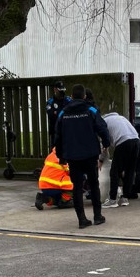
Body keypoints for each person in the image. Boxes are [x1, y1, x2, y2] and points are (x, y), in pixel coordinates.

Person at [54, 84, 110, 229]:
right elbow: (102, 128)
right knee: (93, 184)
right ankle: (97, 216)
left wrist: (60, 156)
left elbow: (58, 137)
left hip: (72, 156)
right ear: (84, 96)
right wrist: (106, 143)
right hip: (90, 154)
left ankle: (82, 219)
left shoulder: (63, 113)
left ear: (71, 97)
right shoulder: (90, 110)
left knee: (77, 188)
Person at [46, 80, 71, 149]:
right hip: (55, 132)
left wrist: (57, 112)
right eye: (60, 90)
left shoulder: (68, 100)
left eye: (63, 90)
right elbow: (51, 115)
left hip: (67, 130)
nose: (62, 93)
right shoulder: (50, 102)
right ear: (55, 89)